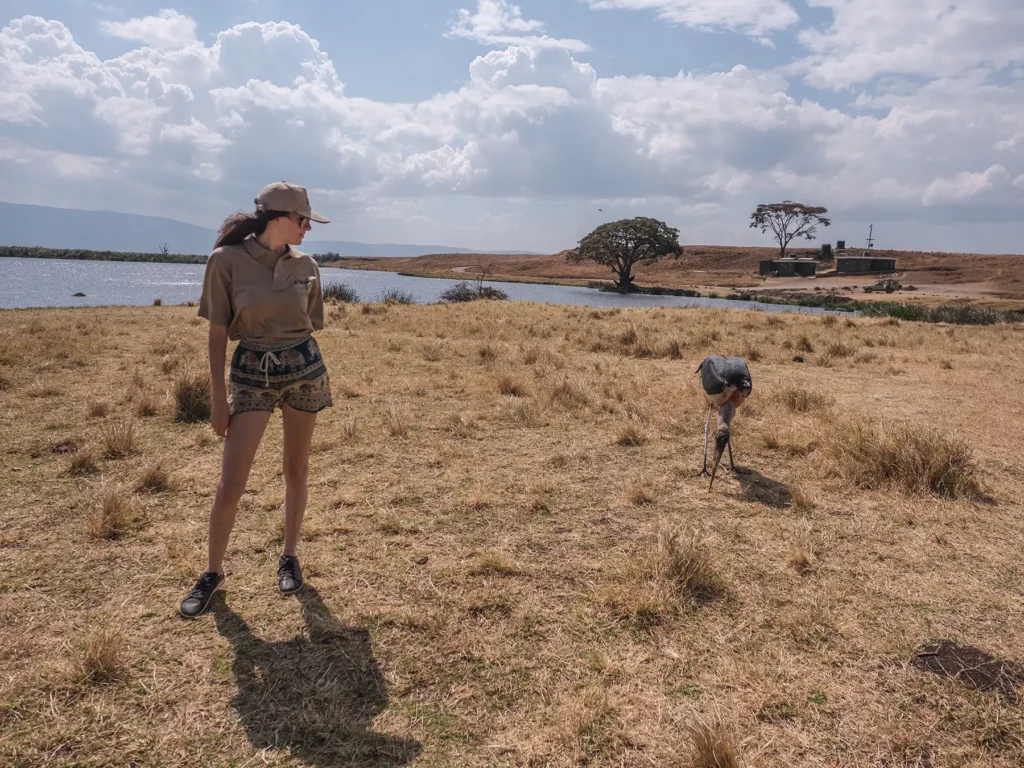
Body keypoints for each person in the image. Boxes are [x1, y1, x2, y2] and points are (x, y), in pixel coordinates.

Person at [179, 182, 333, 618]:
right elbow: (215, 333)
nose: (307, 227)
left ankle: (289, 556)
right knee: (231, 482)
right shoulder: (225, 261)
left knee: (296, 469)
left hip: (303, 369)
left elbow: (312, 323)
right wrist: (216, 399)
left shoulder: (308, 265)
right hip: (250, 372)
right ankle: (212, 572)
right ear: (277, 218)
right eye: (303, 219)